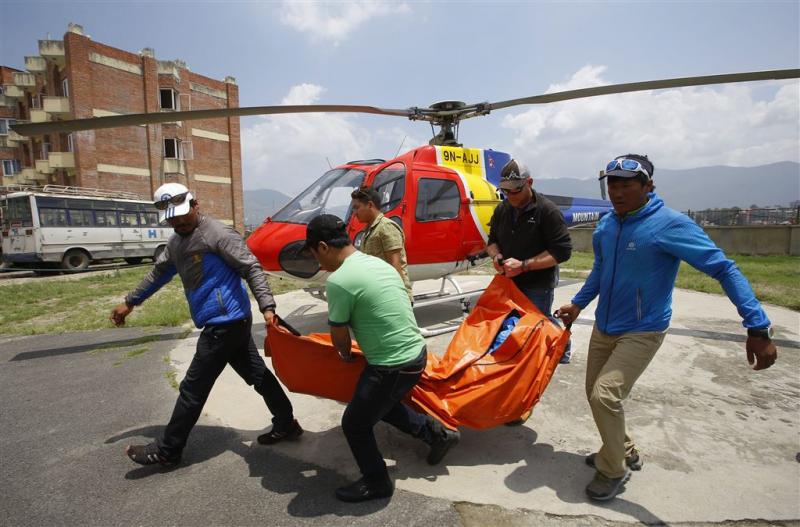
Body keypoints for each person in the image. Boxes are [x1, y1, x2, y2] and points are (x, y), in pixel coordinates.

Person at [555, 154, 778, 501]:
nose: (616, 191)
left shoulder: (668, 224)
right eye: (611, 184)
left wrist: (758, 327)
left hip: (643, 329)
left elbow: (724, 269)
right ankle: (623, 448)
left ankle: (612, 468)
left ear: (648, 186)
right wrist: (578, 303)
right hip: (605, 326)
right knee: (594, 395)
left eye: (626, 184)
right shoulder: (608, 226)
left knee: (605, 395)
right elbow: (600, 270)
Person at [110, 182, 302, 467]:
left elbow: (250, 267)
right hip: (228, 322)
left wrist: (268, 306)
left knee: (192, 388)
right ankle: (287, 424)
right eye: (173, 218)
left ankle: (168, 449)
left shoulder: (218, 234)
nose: (179, 221)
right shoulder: (176, 243)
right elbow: (158, 273)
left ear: (195, 204)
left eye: (183, 214)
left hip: (225, 323)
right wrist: (130, 301)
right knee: (258, 375)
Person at [304, 214, 459, 503]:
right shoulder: (377, 263)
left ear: (323, 247)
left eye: (313, 253)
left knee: (355, 423)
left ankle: (377, 483)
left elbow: (340, 337)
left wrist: (345, 354)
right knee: (381, 405)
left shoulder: (338, 281)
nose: (316, 261)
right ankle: (437, 435)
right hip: (416, 353)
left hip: (392, 364)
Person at [485, 159, 573, 424]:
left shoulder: (547, 211)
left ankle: (523, 399)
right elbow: (491, 242)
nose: (510, 196)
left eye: (516, 190)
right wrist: (497, 256)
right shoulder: (503, 209)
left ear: (529, 183)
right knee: (513, 330)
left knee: (533, 333)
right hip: (509, 282)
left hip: (537, 283)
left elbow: (562, 252)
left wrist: (524, 265)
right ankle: (561, 341)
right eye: (505, 191)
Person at [350, 186, 414, 303]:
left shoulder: (386, 227)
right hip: (380, 294)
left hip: (392, 296)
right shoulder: (369, 230)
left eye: (357, 207)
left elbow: (395, 265)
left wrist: (399, 299)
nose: (354, 213)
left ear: (369, 205)